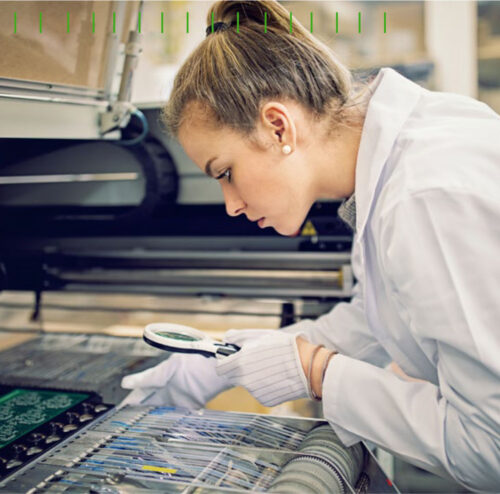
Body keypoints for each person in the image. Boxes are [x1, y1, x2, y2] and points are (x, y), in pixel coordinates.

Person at [121, 1, 500, 491]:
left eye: (226, 173)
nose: (231, 204)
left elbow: (489, 448)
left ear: (279, 126)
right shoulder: (401, 157)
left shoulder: (423, 195)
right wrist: (226, 361)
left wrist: (316, 373)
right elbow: (380, 317)